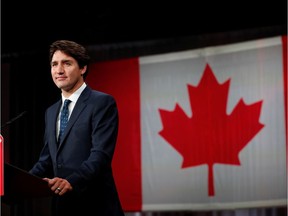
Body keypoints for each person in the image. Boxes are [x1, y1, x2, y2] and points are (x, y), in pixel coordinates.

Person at [29, 40, 125, 216]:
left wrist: (70, 181)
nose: (59, 70)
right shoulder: (50, 112)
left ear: (82, 68)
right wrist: (20, 185)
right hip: (63, 207)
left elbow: (100, 156)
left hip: (96, 206)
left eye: (67, 63)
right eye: (54, 64)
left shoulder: (102, 103)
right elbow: (46, 160)